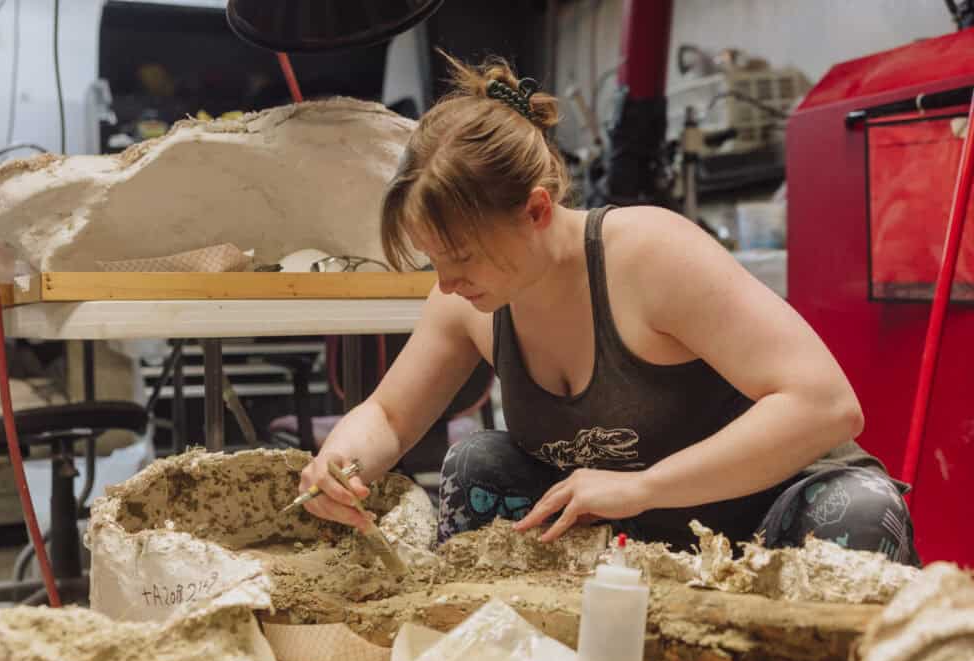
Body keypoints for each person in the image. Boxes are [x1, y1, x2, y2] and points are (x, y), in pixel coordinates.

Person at [298, 53, 919, 566]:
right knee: (479, 463)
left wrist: (644, 487)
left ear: (537, 211)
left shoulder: (649, 254)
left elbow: (826, 405)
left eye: (461, 256)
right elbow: (388, 413)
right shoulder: (467, 300)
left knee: (860, 508)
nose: (447, 281)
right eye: (434, 259)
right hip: (630, 533)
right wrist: (342, 462)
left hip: (764, 512)